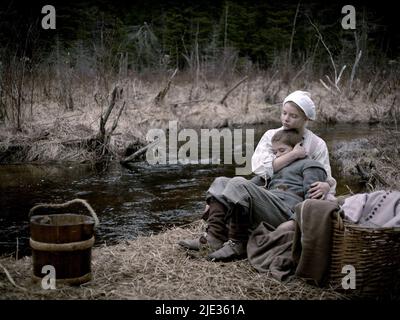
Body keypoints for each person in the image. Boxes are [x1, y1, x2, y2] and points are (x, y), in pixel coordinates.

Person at [179, 90, 336, 258]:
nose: (286, 119)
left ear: (306, 119)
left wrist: (327, 185)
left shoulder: (316, 146)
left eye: (293, 116)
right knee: (222, 182)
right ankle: (214, 237)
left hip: (286, 206)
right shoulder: (272, 136)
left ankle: (238, 244)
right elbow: (260, 170)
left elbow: (322, 180)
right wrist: (221, 197)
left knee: (238, 183)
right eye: (284, 113)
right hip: (270, 195)